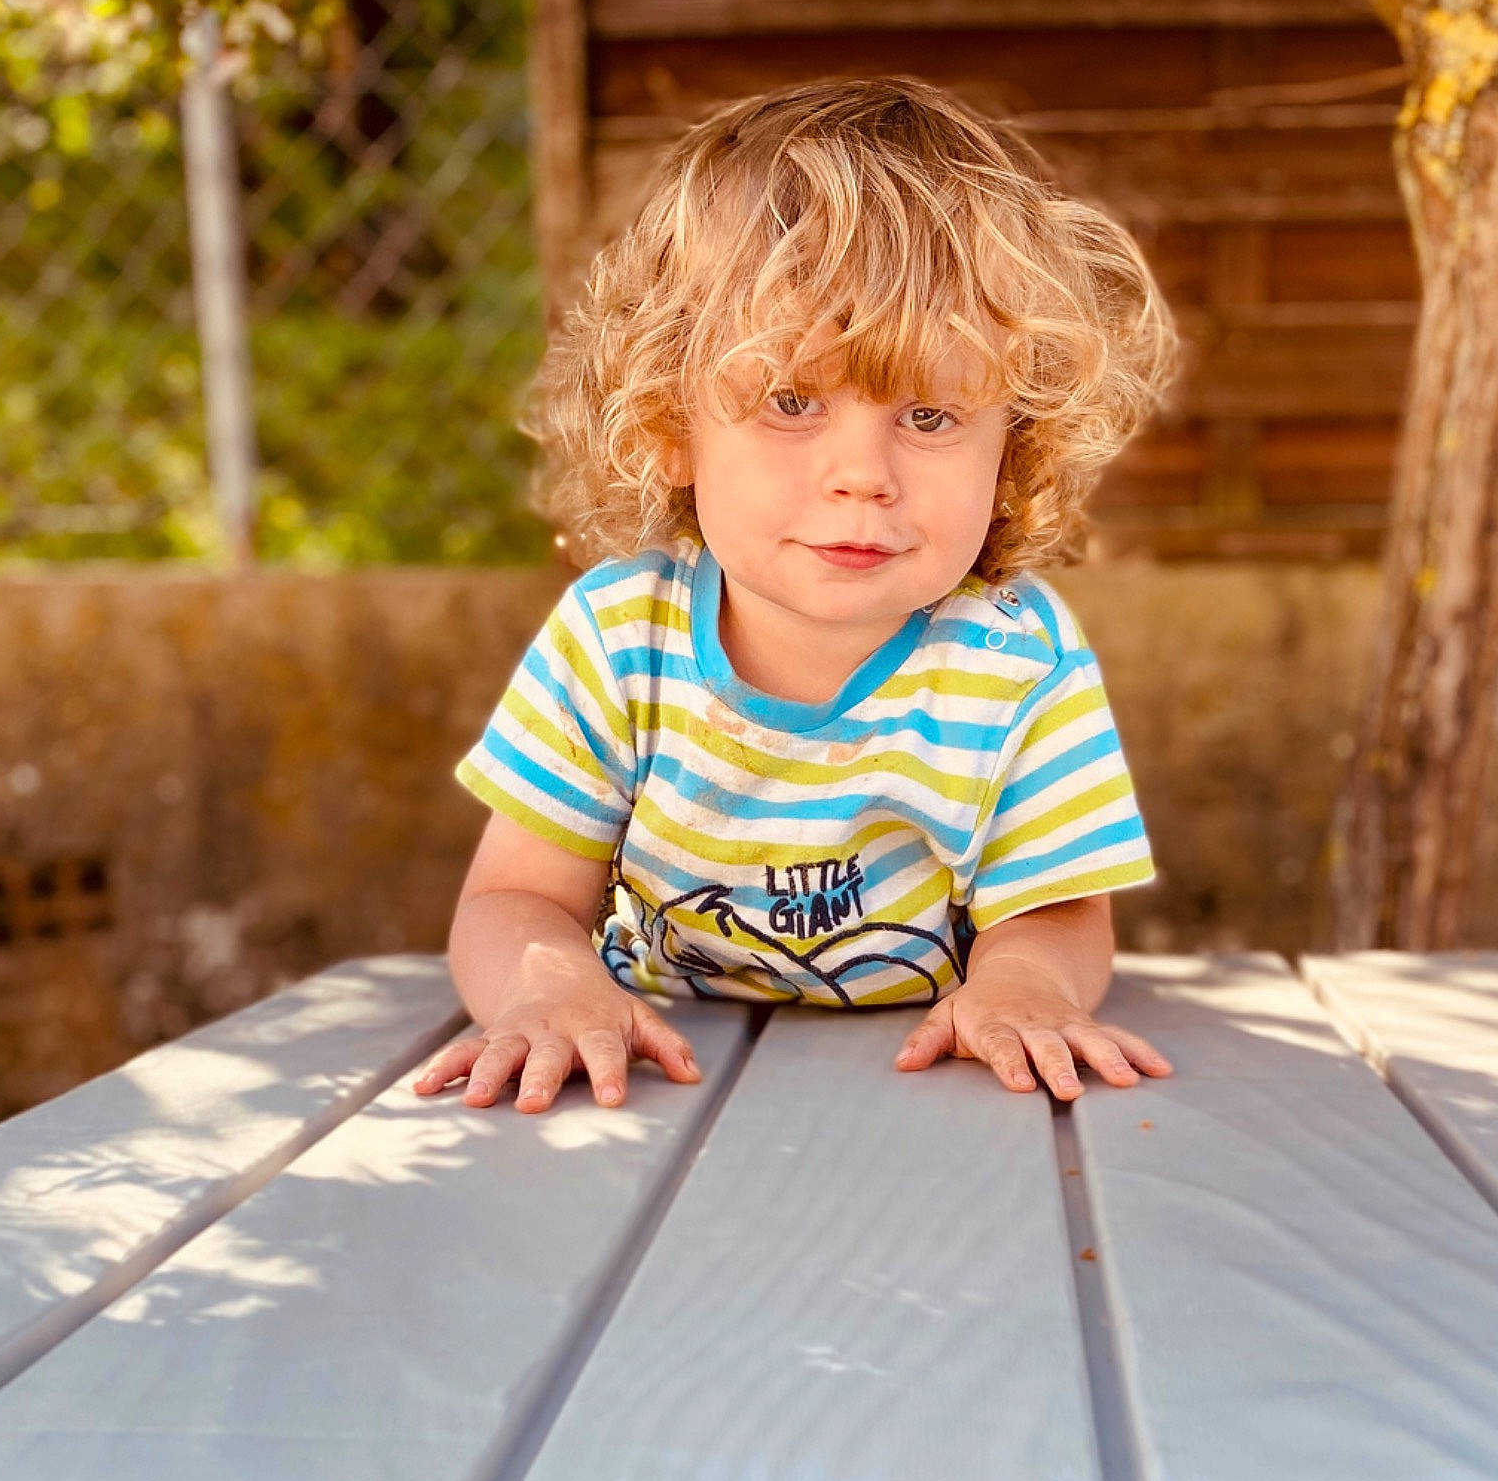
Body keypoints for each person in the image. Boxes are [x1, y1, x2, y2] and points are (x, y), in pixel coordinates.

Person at [414, 76, 1180, 1116]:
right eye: (790, 400)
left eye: (929, 414)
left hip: (919, 1097)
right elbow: (512, 899)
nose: (861, 473)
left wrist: (1020, 986)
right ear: (669, 426)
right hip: (657, 1085)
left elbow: (1055, 911)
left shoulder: (1016, 660)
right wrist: (547, 989)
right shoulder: (615, 636)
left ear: (1015, 446)